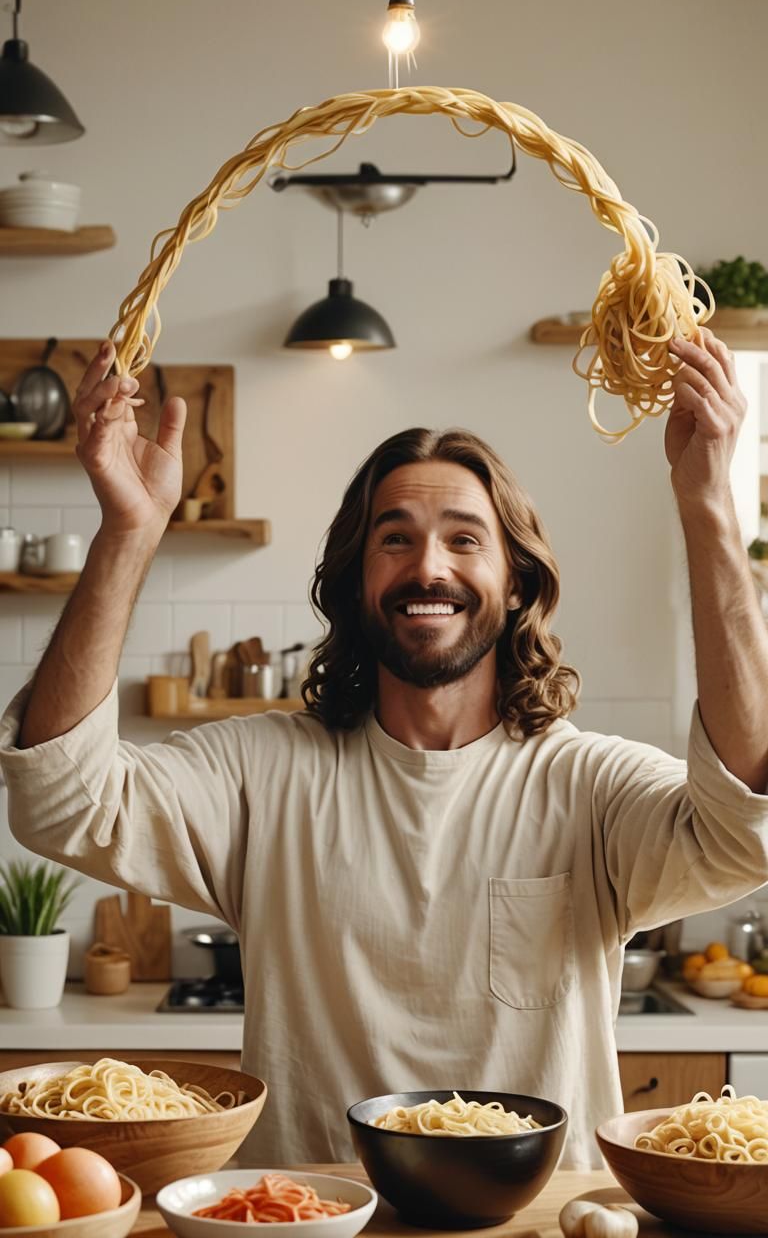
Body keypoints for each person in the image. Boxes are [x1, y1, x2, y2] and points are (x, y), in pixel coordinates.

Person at [0, 329, 767, 1170]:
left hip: (536, 1229)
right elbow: (60, 800)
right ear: (354, 581)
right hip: (309, 1223)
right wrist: (129, 529)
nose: (427, 566)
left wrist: (708, 503)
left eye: (465, 539)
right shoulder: (264, 773)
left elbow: (745, 829)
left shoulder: (587, 784)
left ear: (518, 584)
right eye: (394, 538)